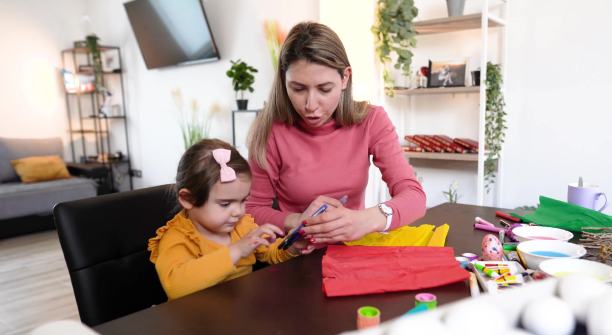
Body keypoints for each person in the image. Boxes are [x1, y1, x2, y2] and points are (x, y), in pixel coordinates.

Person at [246, 22, 426, 245]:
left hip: (353, 251)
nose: (310, 105)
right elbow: (252, 210)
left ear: (345, 78)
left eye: (324, 89)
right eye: (298, 88)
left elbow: (414, 197)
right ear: (284, 81)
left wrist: (366, 220)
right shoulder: (270, 131)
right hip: (296, 257)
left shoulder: (371, 121)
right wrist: (296, 220)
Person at [148, 139, 314, 300]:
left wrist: (291, 246)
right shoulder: (177, 238)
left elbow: (271, 253)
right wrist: (236, 250)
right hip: (195, 323)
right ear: (188, 199)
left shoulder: (241, 226)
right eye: (225, 204)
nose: (238, 212)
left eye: (243, 200)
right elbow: (176, 287)